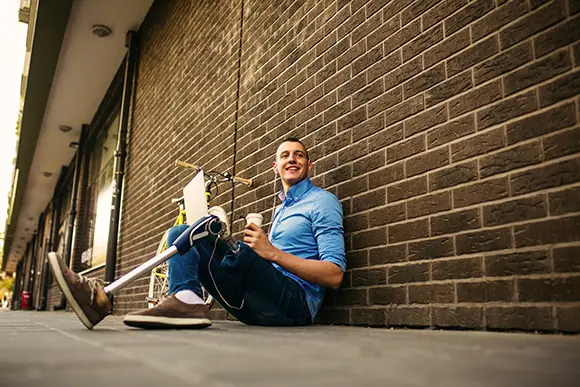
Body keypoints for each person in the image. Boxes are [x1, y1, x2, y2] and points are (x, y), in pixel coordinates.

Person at [48, 137, 346, 329]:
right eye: (285, 155)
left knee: (213, 236)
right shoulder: (280, 209)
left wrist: (271, 253)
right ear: (275, 167)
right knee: (183, 231)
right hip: (254, 310)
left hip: (294, 307)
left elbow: (334, 275)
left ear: (309, 165)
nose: (291, 159)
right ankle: (179, 298)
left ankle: (105, 294)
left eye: (299, 155)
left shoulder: (322, 202)